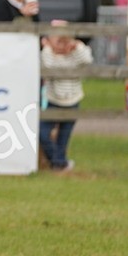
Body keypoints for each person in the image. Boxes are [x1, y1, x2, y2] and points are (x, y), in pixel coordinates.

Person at [38, 20, 92, 171]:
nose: (62, 45)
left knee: (64, 136)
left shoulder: (74, 57)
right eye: (58, 41)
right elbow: (48, 65)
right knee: (42, 133)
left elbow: (87, 58)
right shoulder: (49, 57)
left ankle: (59, 163)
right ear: (48, 42)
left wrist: (77, 46)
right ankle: (57, 160)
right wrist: (48, 48)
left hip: (72, 101)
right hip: (53, 101)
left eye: (65, 41)